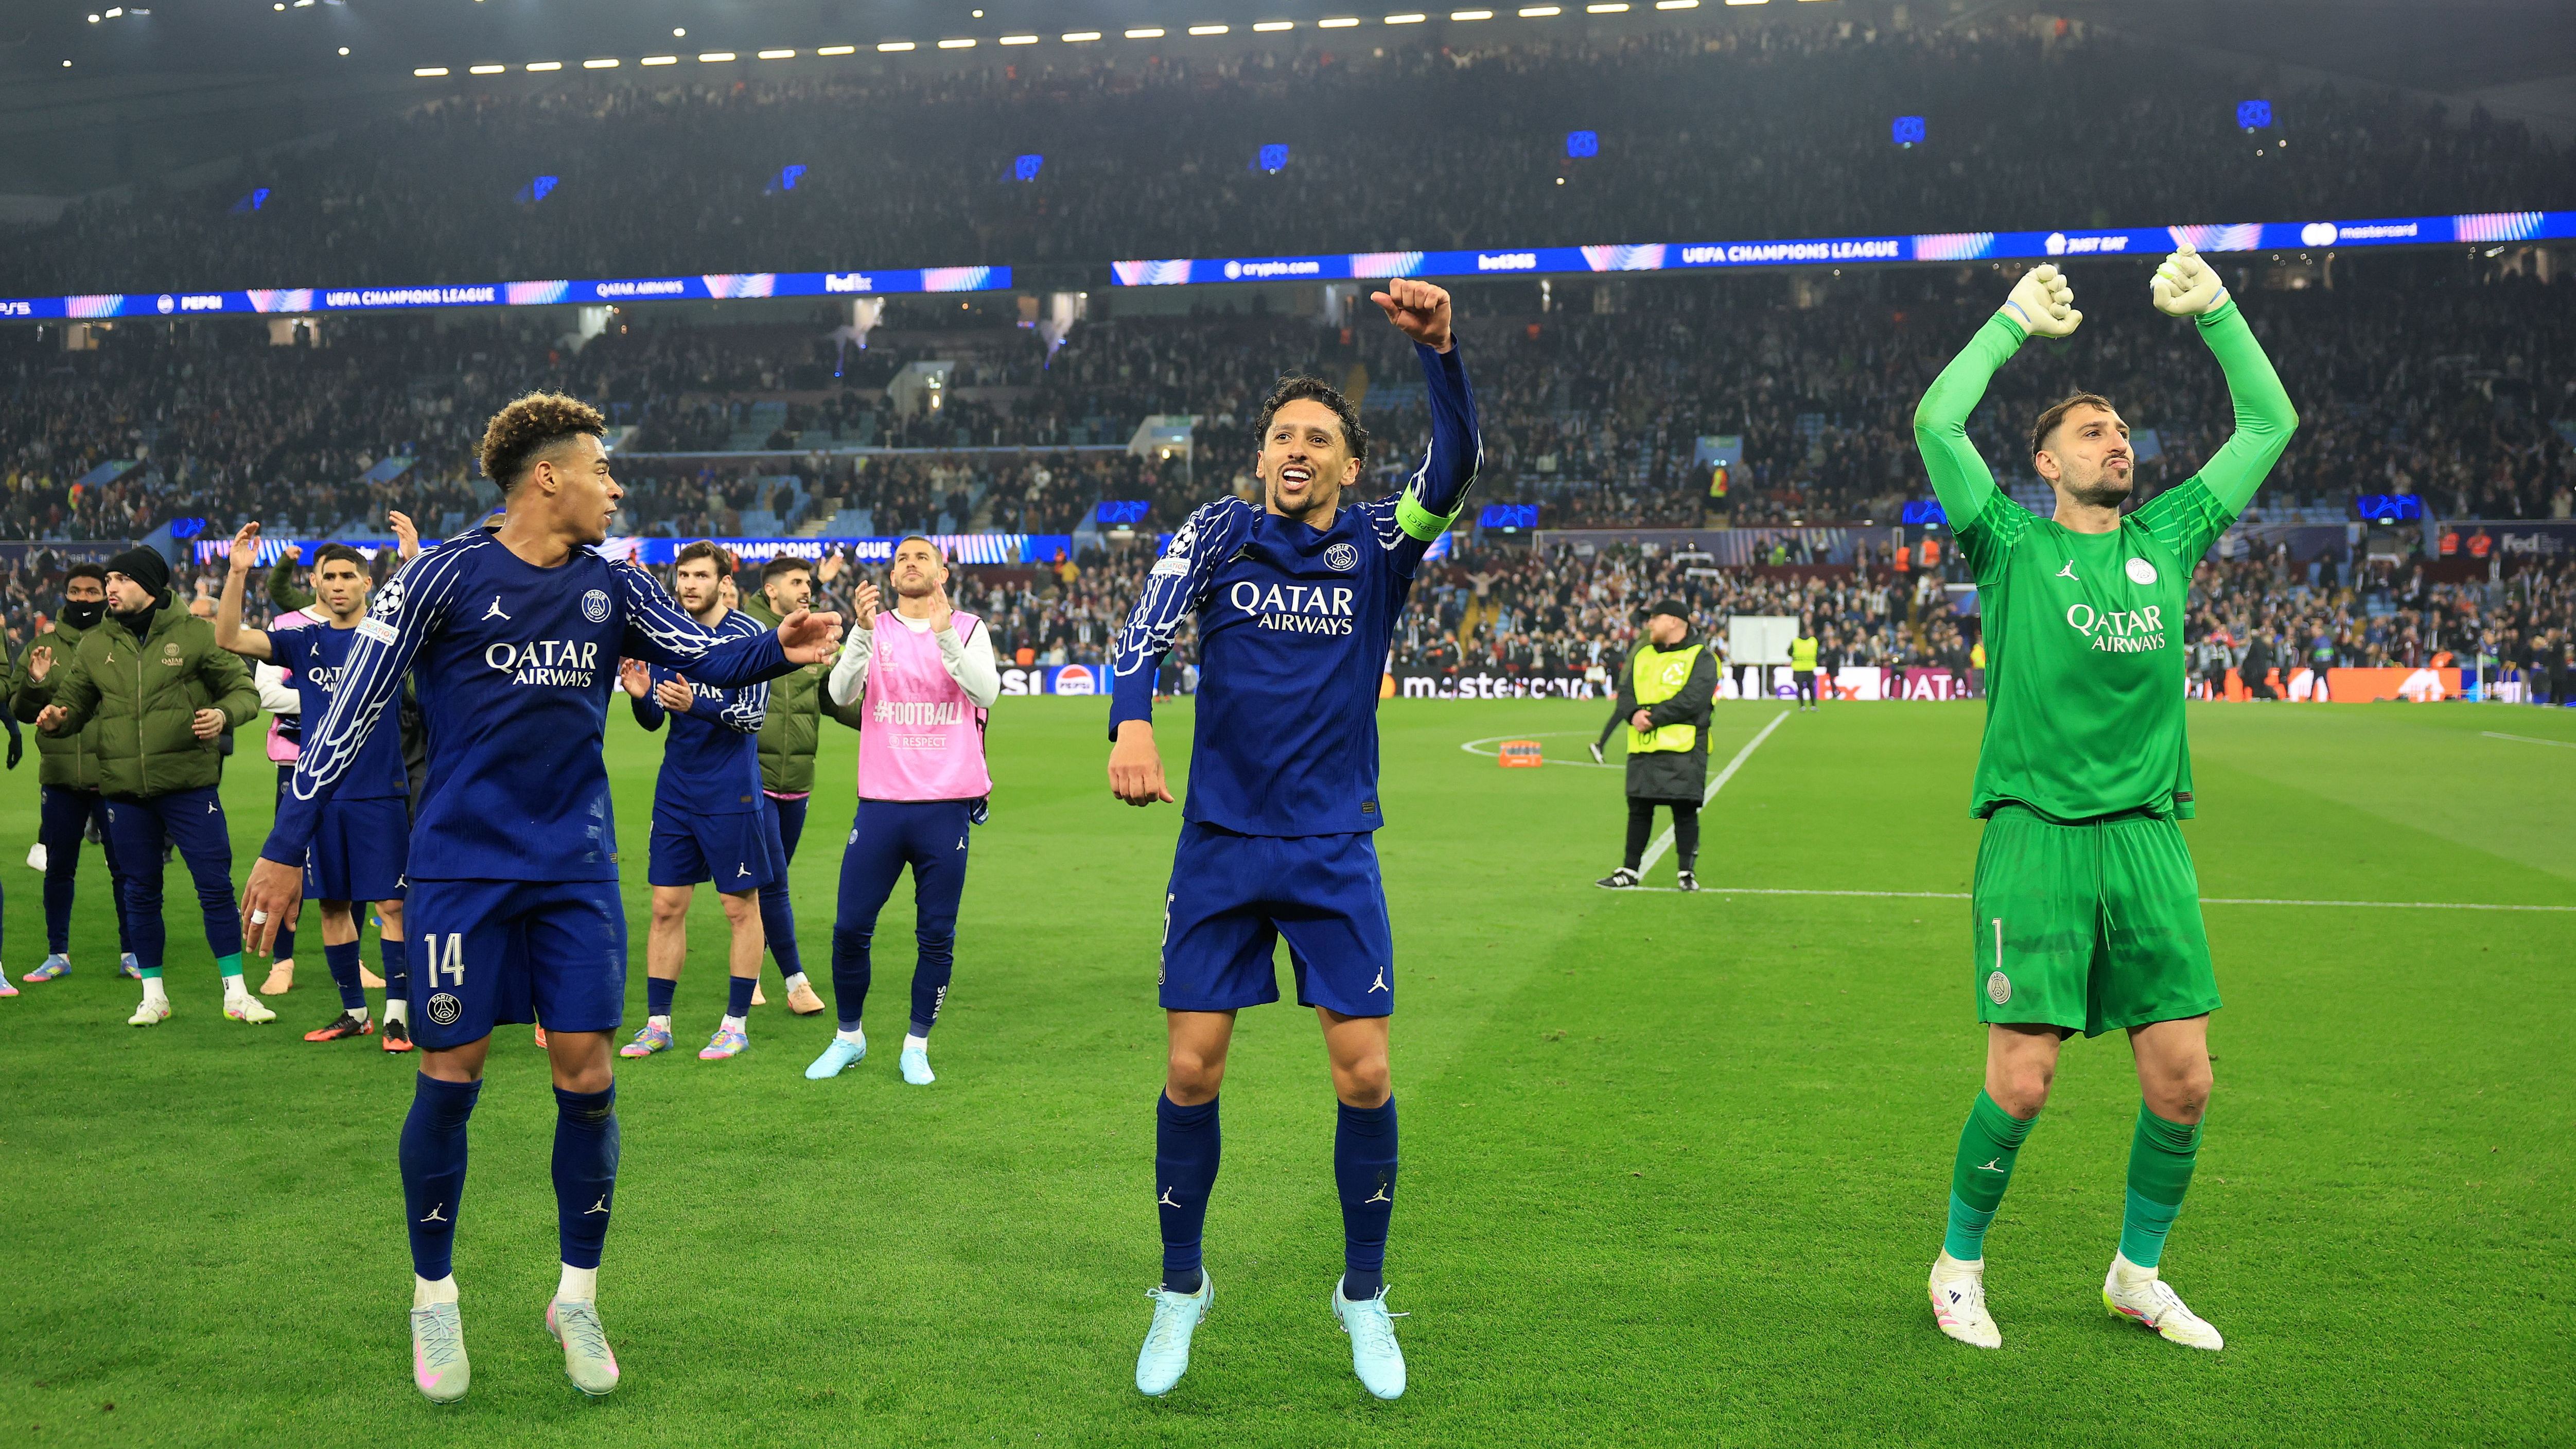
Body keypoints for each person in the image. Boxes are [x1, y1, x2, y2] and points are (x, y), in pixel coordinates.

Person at [235, 392, 840, 1404]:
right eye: (603, 470)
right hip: (462, 870)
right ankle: (434, 1295)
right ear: (547, 476)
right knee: (452, 1068)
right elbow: (351, 703)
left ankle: (577, 1295)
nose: (615, 487)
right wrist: (289, 844)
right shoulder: (442, 575)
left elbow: (704, 657)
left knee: (587, 1069)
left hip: (572, 869)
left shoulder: (617, 586)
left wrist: (782, 645)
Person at [1909, 245, 2295, 1353]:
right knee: (2022, 1085)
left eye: (2122, 430)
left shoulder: (2166, 538)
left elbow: (2269, 424)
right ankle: (1958, 1265)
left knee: (2184, 1083)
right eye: (2090, 430)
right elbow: (1938, 424)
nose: (2115, 440)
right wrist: (2008, 323)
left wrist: (2219, 311)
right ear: (2043, 460)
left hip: (2146, 841)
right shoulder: (2009, 545)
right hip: (2036, 838)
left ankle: (2137, 1272)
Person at [1106, 277, 1477, 1401]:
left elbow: (1452, 470)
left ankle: (1362, 1294)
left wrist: (1440, 355)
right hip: (1219, 842)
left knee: (1364, 1075)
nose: (1295, 449)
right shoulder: (1217, 531)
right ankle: (1182, 1287)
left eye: (1318, 437)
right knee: (1190, 1065)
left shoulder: (1379, 546)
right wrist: (1131, 720)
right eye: (1280, 436)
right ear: (1260, 456)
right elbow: (1144, 627)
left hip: (1329, 847)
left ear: (1352, 464)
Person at [28, 546, 268, 1026]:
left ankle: (237, 993)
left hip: (188, 786)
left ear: (151, 585)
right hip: (124, 791)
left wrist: (223, 715)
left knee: (214, 887)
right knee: (140, 890)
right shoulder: (97, 644)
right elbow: (71, 705)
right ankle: (153, 996)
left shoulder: (198, 635)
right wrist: (55, 719)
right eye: (108, 579)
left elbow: (246, 692)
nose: (110, 587)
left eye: (120, 579)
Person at [808, 535, 1000, 1085]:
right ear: (893, 576)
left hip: (943, 807)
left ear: (942, 571)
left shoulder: (967, 628)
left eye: (921, 556)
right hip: (882, 804)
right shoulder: (875, 629)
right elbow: (841, 693)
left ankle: (916, 1045)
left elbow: (986, 693)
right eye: (901, 559)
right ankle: (849, 1037)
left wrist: (945, 639)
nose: (910, 563)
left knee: (935, 935)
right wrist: (862, 636)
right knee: (849, 929)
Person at [216, 531, 414, 1052]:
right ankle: (354, 1012)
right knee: (331, 907)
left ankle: (396, 1016)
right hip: (320, 798)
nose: (339, 584)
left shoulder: (390, 638)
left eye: (349, 575)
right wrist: (238, 572)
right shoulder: (303, 640)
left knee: (393, 906)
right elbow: (229, 639)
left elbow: (434, 619)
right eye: (329, 575)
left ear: (368, 582)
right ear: (314, 583)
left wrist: (414, 561)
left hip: (380, 792)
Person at [616, 541, 785, 1062]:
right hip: (676, 790)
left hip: (730, 790)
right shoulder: (664, 635)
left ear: (722, 580)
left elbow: (753, 716)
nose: (689, 584)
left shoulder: (748, 635)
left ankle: (734, 1024)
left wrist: (701, 703)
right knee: (666, 906)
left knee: (740, 907)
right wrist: (643, 694)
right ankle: (657, 1024)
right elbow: (654, 720)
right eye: (683, 575)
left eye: (700, 576)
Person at [9, 563, 141, 988]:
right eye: (75, 591)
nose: (84, 598)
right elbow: (20, 709)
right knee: (59, 869)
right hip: (62, 776)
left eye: (91, 591)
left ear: (105, 593)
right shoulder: (43, 645)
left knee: (125, 869)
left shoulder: (121, 640)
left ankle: (132, 952)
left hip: (114, 774)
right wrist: (33, 680)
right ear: (63, 593)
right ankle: (57, 953)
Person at [740, 553, 860, 1018]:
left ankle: (746, 970)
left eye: (808, 581)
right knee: (775, 881)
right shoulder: (746, 629)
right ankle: (796, 982)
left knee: (765, 884)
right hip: (754, 778)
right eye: (796, 581)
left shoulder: (811, 633)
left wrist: (880, 719)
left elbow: (832, 698)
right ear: (772, 590)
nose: (806, 588)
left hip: (798, 781)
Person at [1591, 599, 1718, 892]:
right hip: (1643, 746)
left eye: (1655, 619)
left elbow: (1694, 700)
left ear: (1674, 621)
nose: (1649, 624)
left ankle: (1686, 874)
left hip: (1684, 746)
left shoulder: (1701, 657)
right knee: (1638, 809)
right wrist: (1633, 714)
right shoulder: (1643, 655)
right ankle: (1629, 870)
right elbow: (1625, 693)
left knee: (1684, 809)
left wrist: (1653, 717)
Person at [1790, 616, 1821, 711]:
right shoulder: (1813, 641)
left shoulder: (1795, 642)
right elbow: (1818, 654)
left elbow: (1789, 652)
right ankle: (1813, 706)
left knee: (1800, 688)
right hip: (1810, 668)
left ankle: (1802, 706)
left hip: (1798, 668)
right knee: (1811, 687)